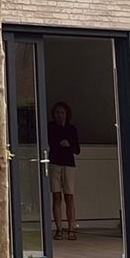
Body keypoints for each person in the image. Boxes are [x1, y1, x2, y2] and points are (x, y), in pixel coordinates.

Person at [48, 101, 80, 242]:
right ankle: (59, 229)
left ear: (66, 114)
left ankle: (71, 228)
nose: (59, 115)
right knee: (56, 196)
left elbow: (77, 150)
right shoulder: (50, 127)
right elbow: (49, 144)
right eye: (57, 112)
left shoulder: (71, 129)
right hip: (55, 163)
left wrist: (69, 145)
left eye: (62, 112)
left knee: (69, 196)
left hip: (68, 164)